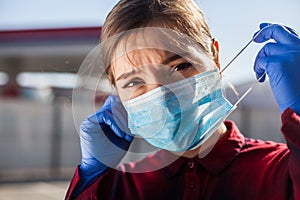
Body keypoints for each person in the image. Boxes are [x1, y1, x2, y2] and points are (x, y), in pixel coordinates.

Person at [65, 0, 300, 199]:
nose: (164, 96)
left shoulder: (282, 171)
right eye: (134, 82)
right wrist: (90, 181)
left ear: (215, 58)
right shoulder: (119, 189)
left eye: (180, 66)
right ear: (116, 93)